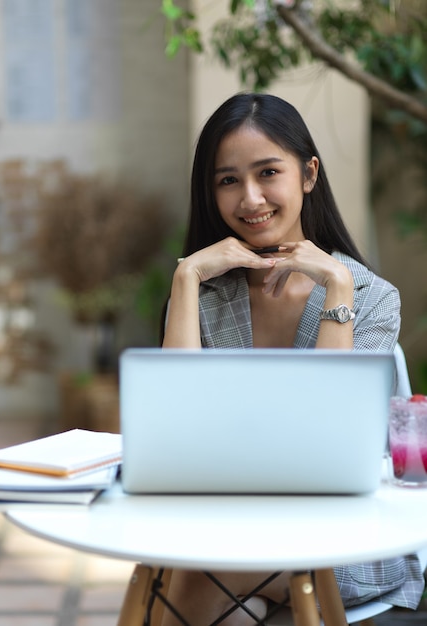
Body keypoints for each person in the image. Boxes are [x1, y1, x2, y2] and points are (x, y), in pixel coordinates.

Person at [160, 93, 425, 625]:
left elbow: (328, 433)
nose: (250, 198)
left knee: (187, 580)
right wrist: (186, 277)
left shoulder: (369, 296)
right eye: (228, 180)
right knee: (216, 598)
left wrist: (338, 285)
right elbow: (173, 424)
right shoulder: (206, 294)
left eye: (268, 173)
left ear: (308, 175)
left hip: (341, 538)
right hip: (230, 523)